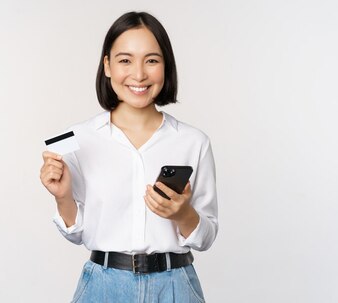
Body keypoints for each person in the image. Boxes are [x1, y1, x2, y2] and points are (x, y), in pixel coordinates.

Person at [39, 11, 218, 302]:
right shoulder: (78, 139)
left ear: (166, 67)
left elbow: (207, 236)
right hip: (103, 286)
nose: (139, 74)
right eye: (125, 60)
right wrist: (63, 197)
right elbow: (77, 234)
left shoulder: (193, 142)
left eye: (152, 60)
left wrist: (183, 213)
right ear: (107, 65)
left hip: (175, 287)